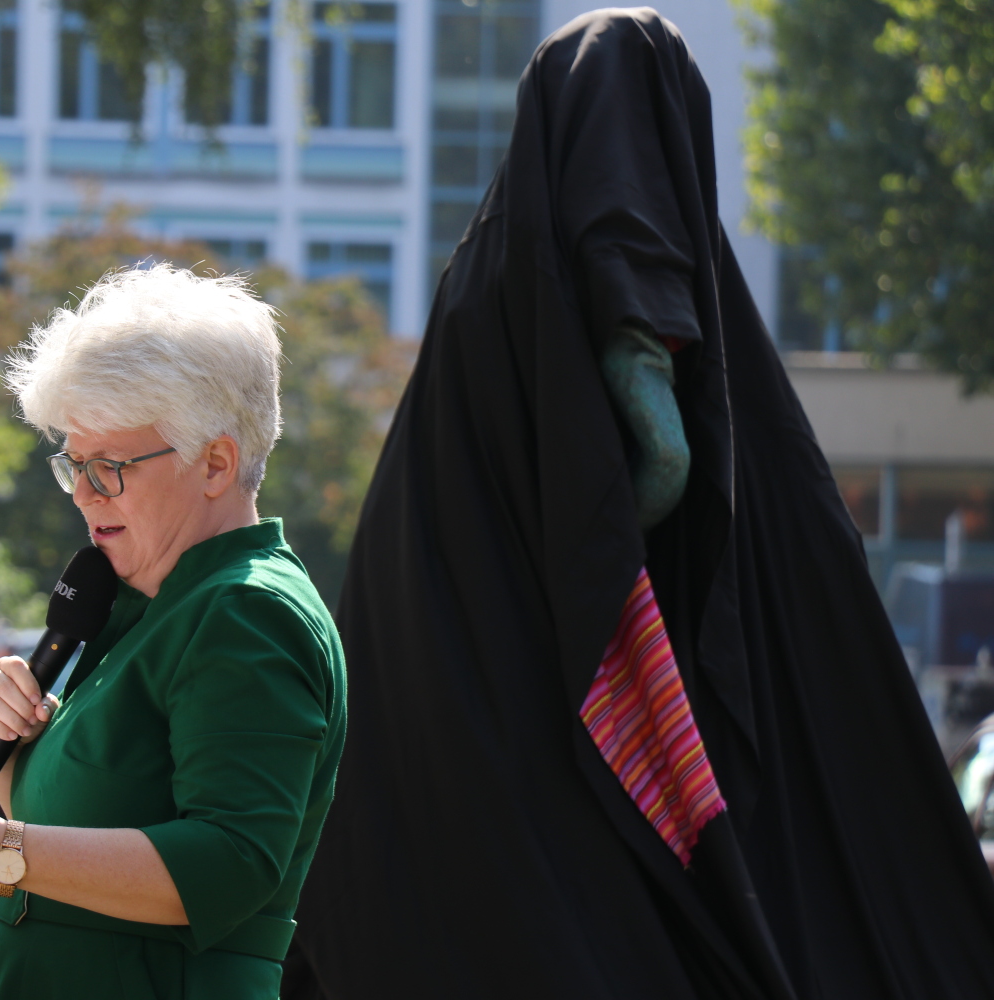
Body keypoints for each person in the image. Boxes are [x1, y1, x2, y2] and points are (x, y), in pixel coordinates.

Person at [290, 8, 994, 1000]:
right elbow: (663, 464)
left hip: (458, 734)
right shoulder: (652, 288)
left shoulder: (476, 292)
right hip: (596, 726)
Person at [0, 264, 348, 1000]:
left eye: (111, 467)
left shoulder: (248, 612)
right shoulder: (147, 603)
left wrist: (1, 850)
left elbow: (230, 862)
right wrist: (9, 747)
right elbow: (76, 832)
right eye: (74, 464)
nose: (84, 495)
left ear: (215, 463)